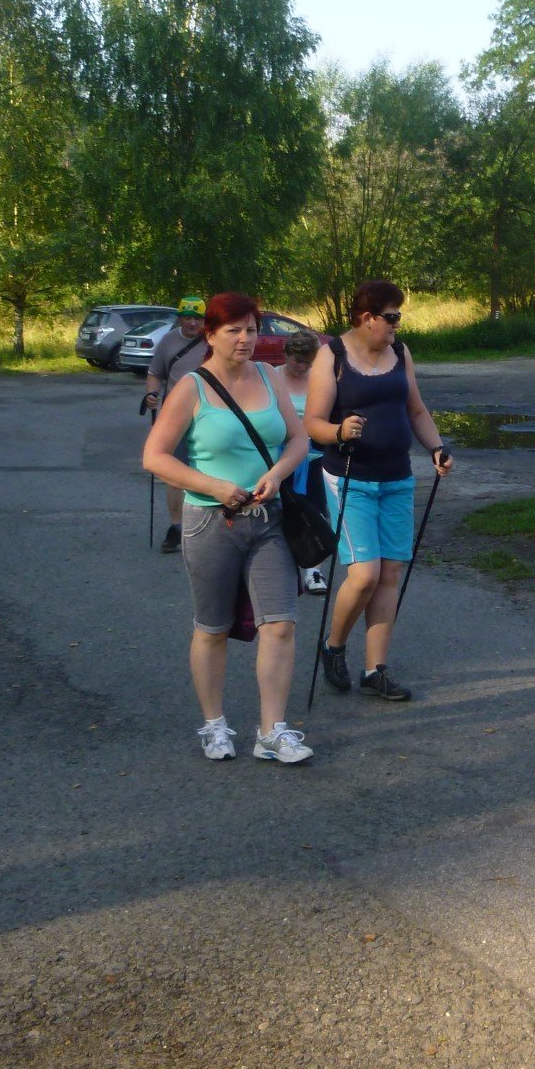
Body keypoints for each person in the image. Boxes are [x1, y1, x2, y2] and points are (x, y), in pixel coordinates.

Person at [142, 293, 315, 766]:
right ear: (212, 334)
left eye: (252, 329)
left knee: (280, 625)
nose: (245, 339)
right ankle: (214, 725)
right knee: (213, 627)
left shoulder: (269, 376)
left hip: (269, 518)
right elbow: (154, 456)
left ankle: (272, 731)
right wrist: (214, 486)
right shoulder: (192, 388)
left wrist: (277, 475)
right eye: (234, 330)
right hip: (210, 523)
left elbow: (299, 437)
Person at [303, 280, 456, 702]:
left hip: (397, 477)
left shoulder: (400, 352)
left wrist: (436, 447)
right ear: (367, 318)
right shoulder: (332, 355)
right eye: (390, 316)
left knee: (389, 573)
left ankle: (376, 670)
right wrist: (338, 430)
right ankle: (333, 647)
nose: (396, 324)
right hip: (349, 478)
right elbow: (312, 421)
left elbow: (416, 409)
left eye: (398, 316)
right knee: (364, 574)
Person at [141, 296, 213, 553]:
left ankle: (210, 527)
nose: (193, 323)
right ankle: (176, 527)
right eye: (187, 317)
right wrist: (152, 395)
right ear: (179, 318)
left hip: (210, 416)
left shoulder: (213, 341)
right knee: (174, 474)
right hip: (176, 417)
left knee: (210, 470)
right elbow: (155, 373)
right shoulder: (169, 340)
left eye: (198, 318)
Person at [274, 328, 329, 595]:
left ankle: (313, 570)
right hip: (279, 457)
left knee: (315, 511)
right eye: (297, 360)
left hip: (314, 458)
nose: (302, 367)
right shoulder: (272, 377)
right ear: (286, 355)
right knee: (280, 512)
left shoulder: (320, 379)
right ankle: (282, 569)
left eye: (308, 362)